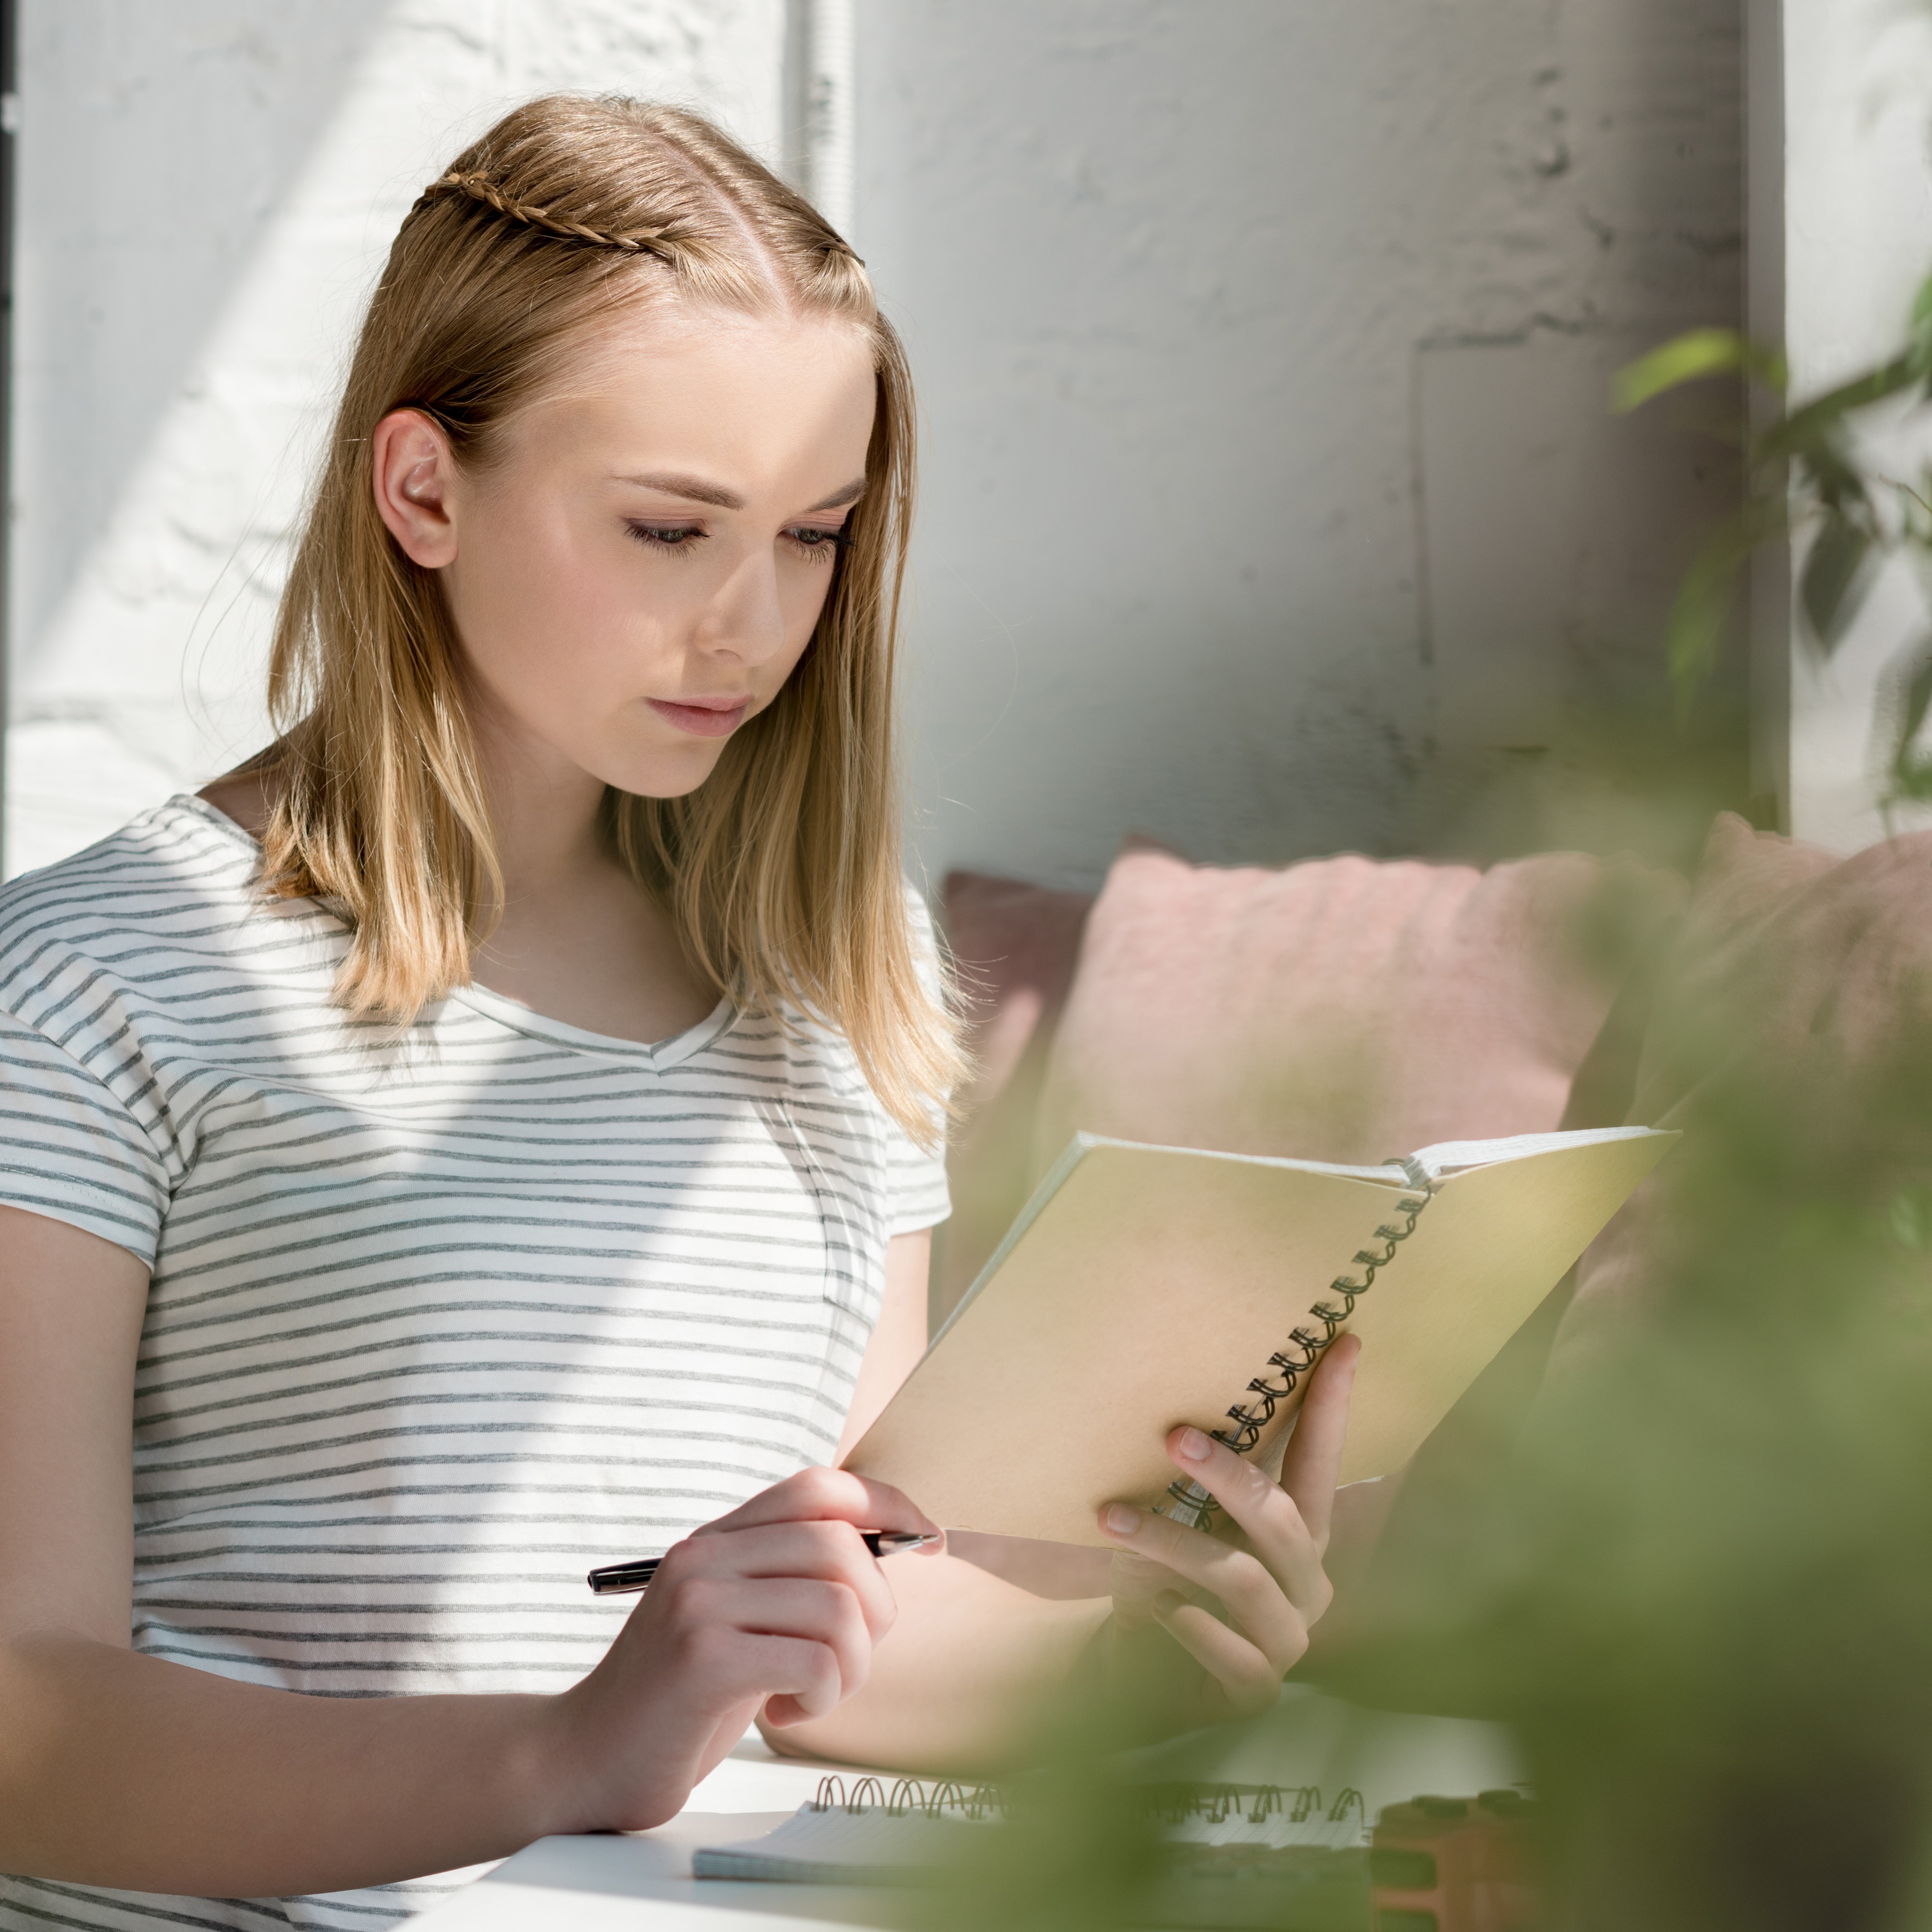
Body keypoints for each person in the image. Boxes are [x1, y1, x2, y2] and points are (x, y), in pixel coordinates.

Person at [0, 96, 1358, 1932]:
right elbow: (29, 1725)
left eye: (814, 536)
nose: (753, 622)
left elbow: (840, 1619)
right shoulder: (97, 987)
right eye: (667, 528)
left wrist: (1147, 1638)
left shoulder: (830, 978)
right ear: (422, 491)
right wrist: (569, 1743)